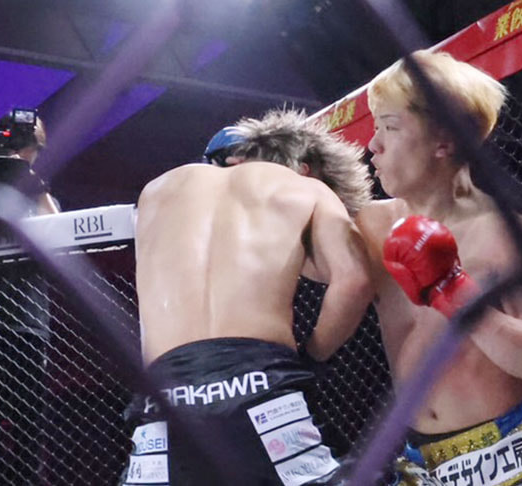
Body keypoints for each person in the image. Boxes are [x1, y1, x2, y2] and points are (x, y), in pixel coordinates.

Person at [356, 50, 522, 485]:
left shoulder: (508, 236)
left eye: (390, 127)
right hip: (423, 463)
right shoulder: (370, 226)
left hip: (510, 453)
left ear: (443, 140)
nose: (374, 145)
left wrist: (453, 291)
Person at [120, 109, 374, 486]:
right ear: (305, 168)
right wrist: (314, 356)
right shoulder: (305, 187)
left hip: (163, 398)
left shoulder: (155, 192)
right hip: (261, 386)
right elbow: (354, 281)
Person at [0, 113, 59, 216]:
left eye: (27, 150)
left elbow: (56, 223)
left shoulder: (39, 196)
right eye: (13, 148)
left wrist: (38, 189)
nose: (18, 155)